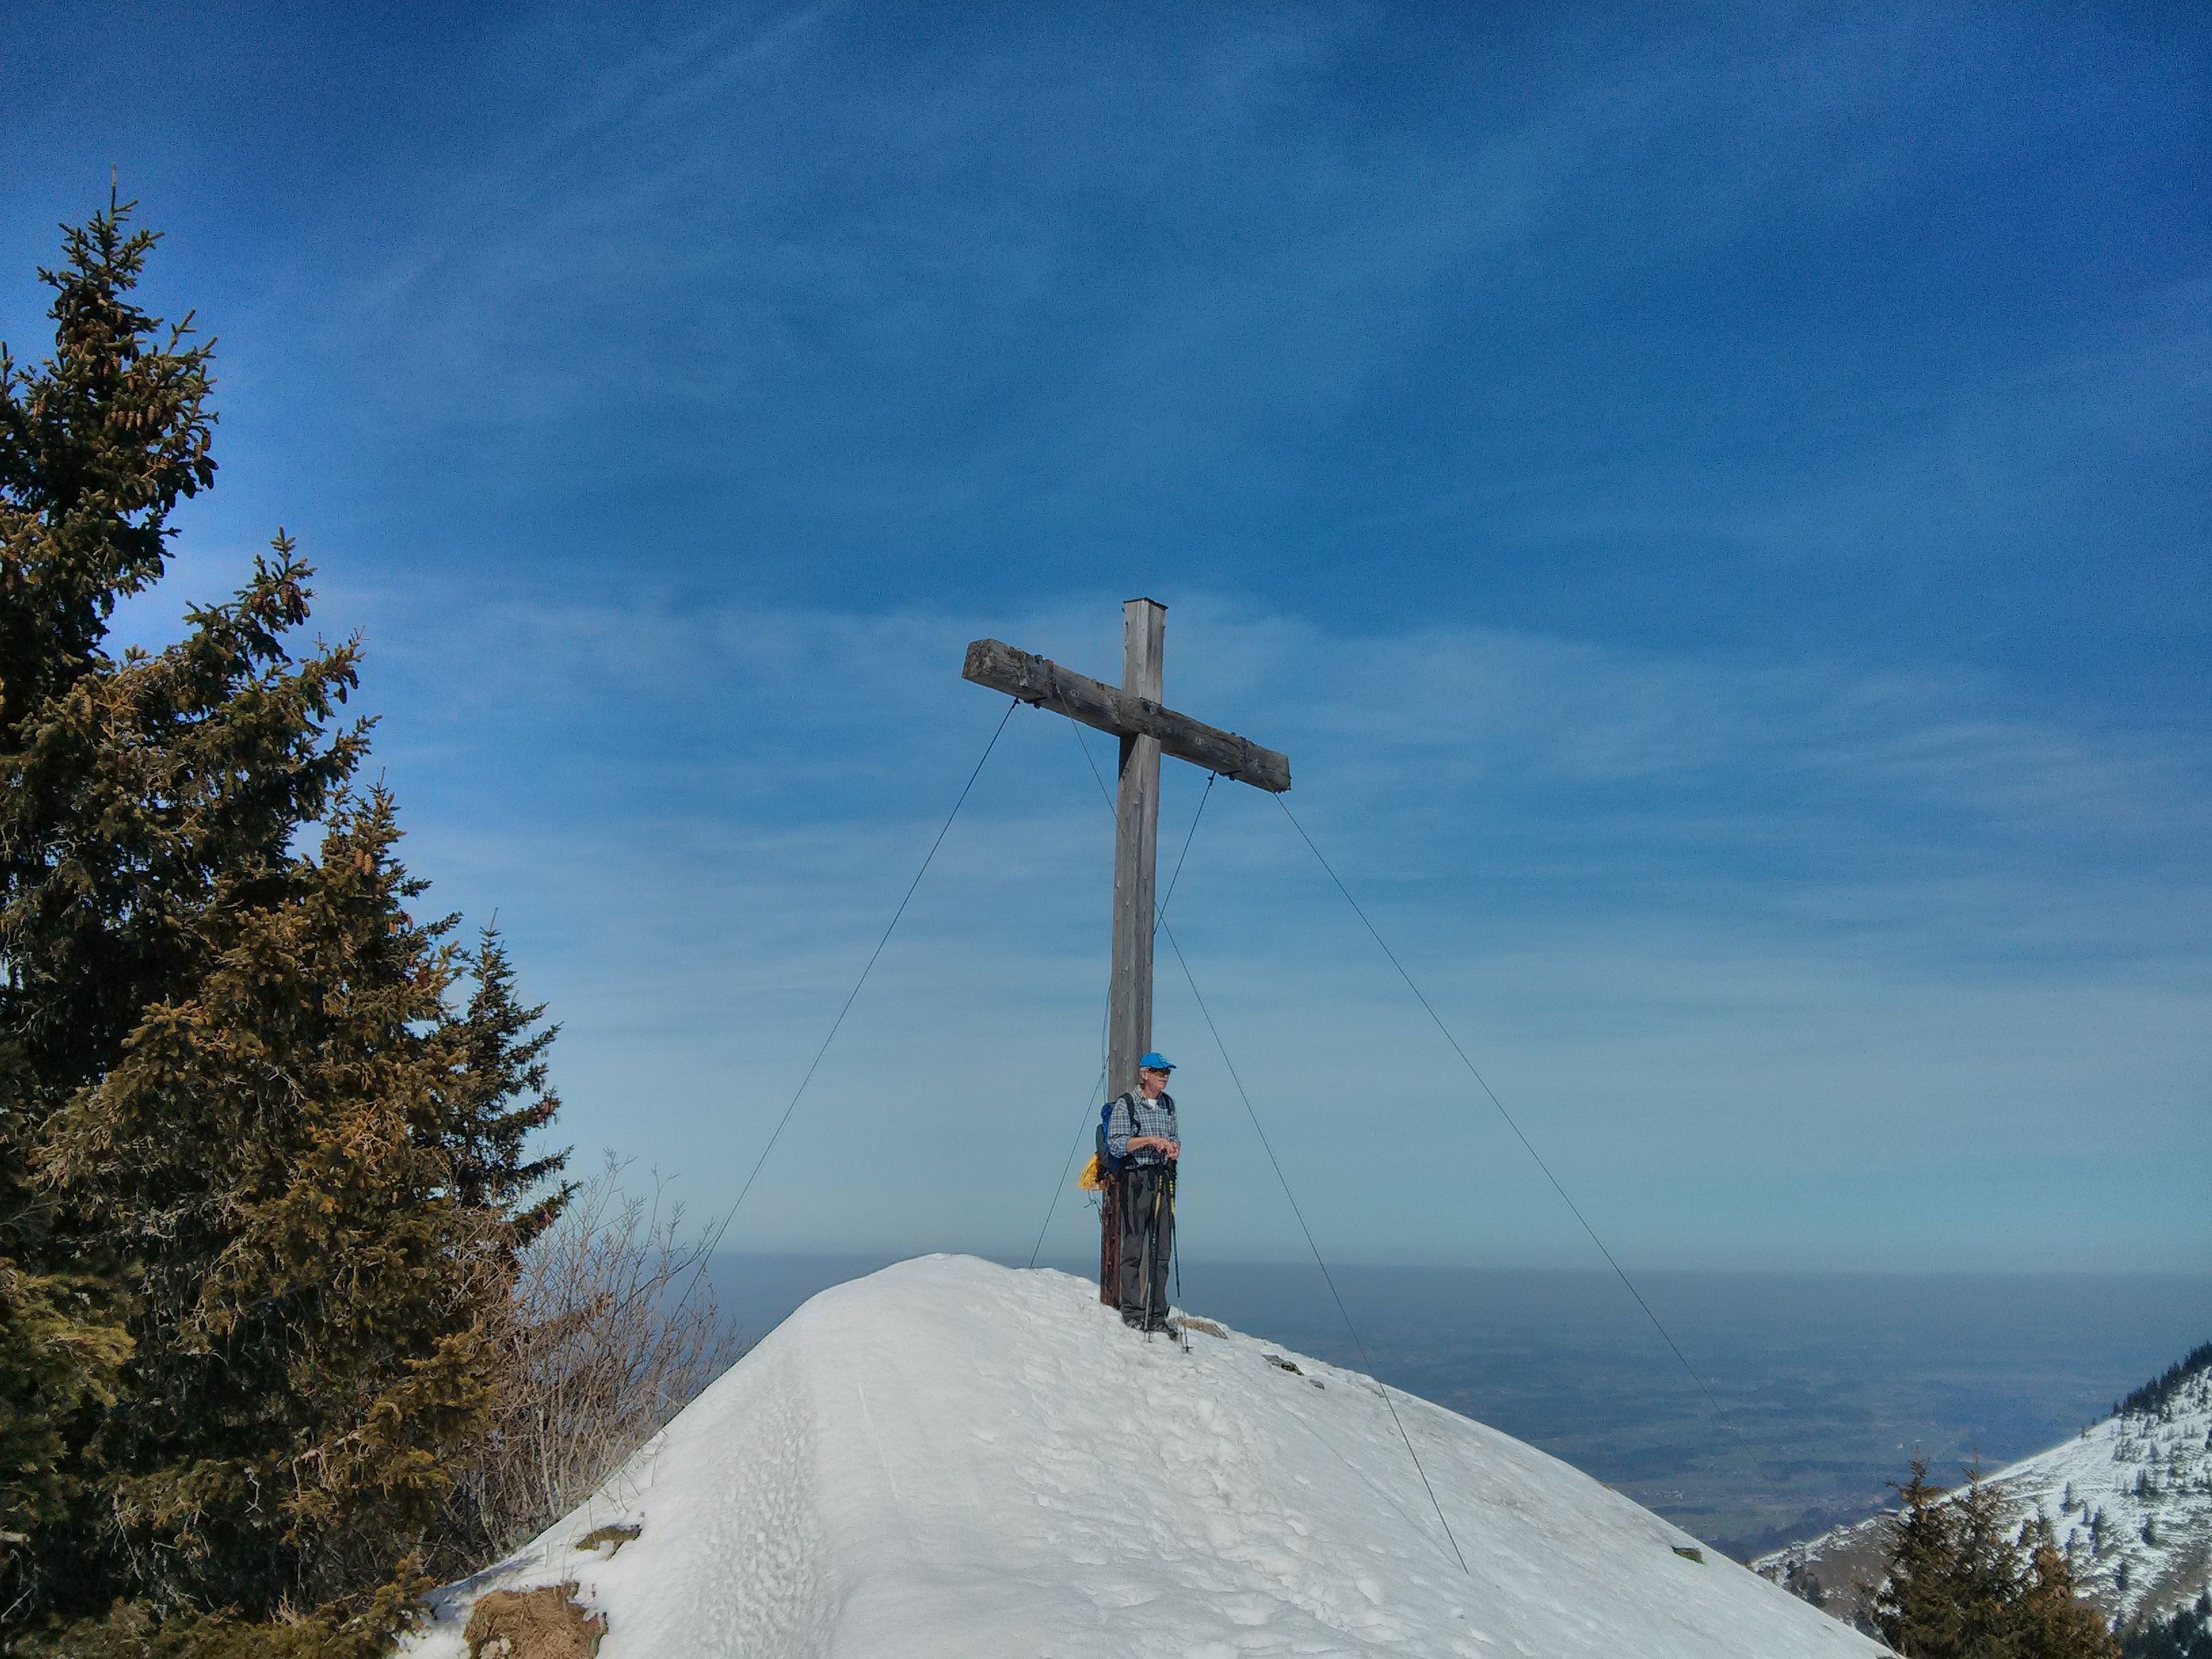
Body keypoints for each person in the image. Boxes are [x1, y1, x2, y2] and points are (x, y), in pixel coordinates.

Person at [1106, 1052, 1179, 1332]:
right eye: (1159, 1071)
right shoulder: (1128, 1104)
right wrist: (1151, 1141)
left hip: (1164, 1178)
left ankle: (1157, 1314)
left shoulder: (1169, 1105)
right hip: (1137, 1178)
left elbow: (1175, 1136)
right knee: (1134, 1246)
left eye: (1167, 1072)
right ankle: (1132, 1311)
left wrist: (1174, 1147)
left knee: (1162, 1251)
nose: (1164, 1076)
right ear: (1144, 1073)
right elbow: (1117, 1144)